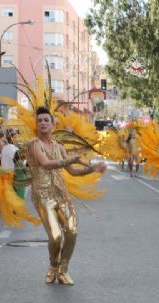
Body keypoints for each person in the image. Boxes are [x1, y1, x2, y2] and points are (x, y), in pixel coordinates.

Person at [27, 107, 107, 285]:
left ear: (53, 125)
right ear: (36, 124)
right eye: (39, 120)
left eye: (46, 120)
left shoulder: (59, 147)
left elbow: (74, 172)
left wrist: (93, 169)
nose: (42, 123)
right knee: (55, 237)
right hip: (43, 195)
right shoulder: (34, 145)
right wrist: (71, 159)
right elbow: (47, 164)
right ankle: (53, 267)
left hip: (60, 194)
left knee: (72, 230)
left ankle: (63, 270)